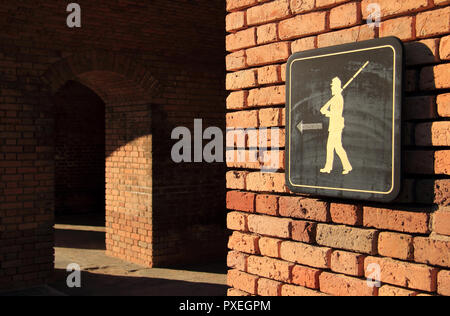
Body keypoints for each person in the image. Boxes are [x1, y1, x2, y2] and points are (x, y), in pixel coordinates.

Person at [319, 77, 353, 175]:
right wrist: (325, 109)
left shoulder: (338, 98)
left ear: (337, 87)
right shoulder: (334, 98)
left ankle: (330, 167)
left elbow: (337, 114)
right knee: (336, 148)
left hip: (336, 126)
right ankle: (345, 167)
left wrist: (326, 112)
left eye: (333, 86)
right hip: (334, 126)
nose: (332, 88)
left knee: (334, 148)